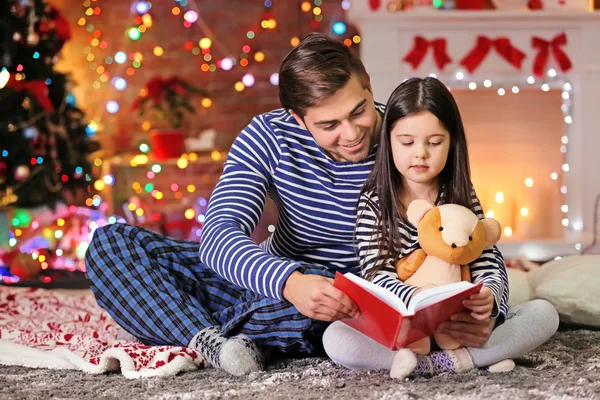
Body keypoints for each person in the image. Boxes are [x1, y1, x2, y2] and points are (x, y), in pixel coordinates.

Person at [322, 77, 560, 379]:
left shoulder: (458, 191)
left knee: (544, 313)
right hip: (407, 332)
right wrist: (418, 298)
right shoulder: (374, 201)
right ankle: (462, 360)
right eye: (406, 142)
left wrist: (489, 302)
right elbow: (376, 272)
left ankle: (445, 360)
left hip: (461, 324)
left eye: (434, 143)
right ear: (388, 141)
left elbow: (485, 254)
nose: (420, 153)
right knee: (335, 337)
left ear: (452, 143)